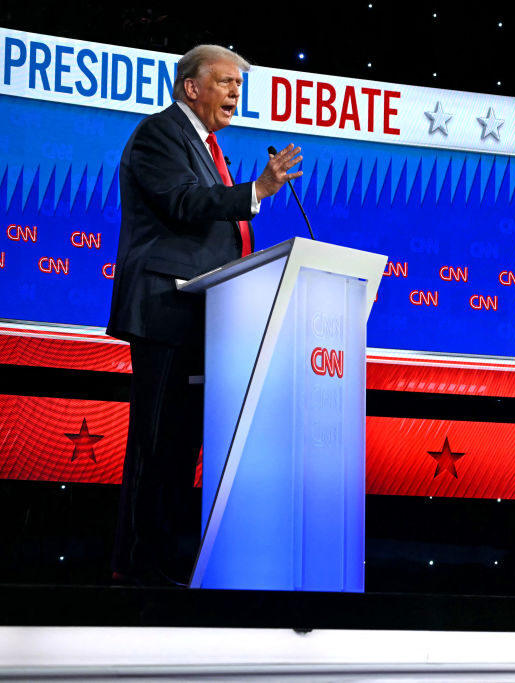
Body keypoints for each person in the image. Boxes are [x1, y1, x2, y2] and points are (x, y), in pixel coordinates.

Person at [106, 44, 302, 586]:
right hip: (165, 311)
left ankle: (162, 559)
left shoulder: (206, 145)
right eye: (225, 82)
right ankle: (138, 563)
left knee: (180, 446)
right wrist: (257, 190)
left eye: (239, 85)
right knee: (156, 441)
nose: (235, 93)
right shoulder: (159, 134)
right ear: (191, 87)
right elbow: (184, 204)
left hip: (203, 316)